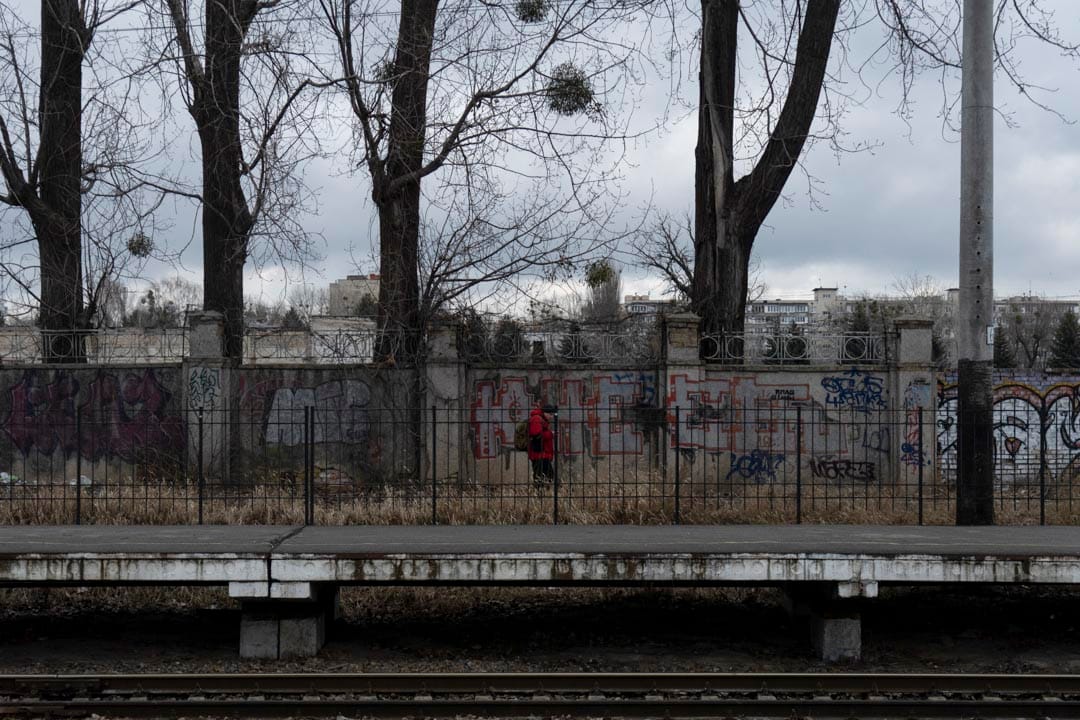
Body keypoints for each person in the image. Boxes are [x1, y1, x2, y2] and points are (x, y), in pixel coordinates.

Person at [527, 404, 555, 486]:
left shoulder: (541, 419)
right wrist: (550, 434)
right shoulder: (536, 419)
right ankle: (539, 495)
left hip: (543, 454)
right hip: (539, 455)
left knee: (548, 476)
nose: (552, 417)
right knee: (540, 477)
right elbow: (536, 435)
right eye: (550, 414)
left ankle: (544, 494)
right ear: (545, 413)